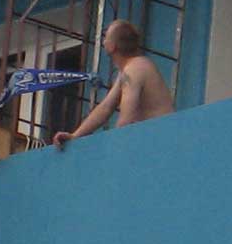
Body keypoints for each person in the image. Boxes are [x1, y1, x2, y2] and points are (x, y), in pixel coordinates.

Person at [52, 20, 173, 148]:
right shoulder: (132, 68)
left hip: (160, 139)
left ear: (112, 46)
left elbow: (126, 119)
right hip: (159, 137)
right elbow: (105, 107)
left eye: (106, 36)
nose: (103, 40)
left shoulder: (133, 69)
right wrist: (75, 135)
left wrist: (116, 149)